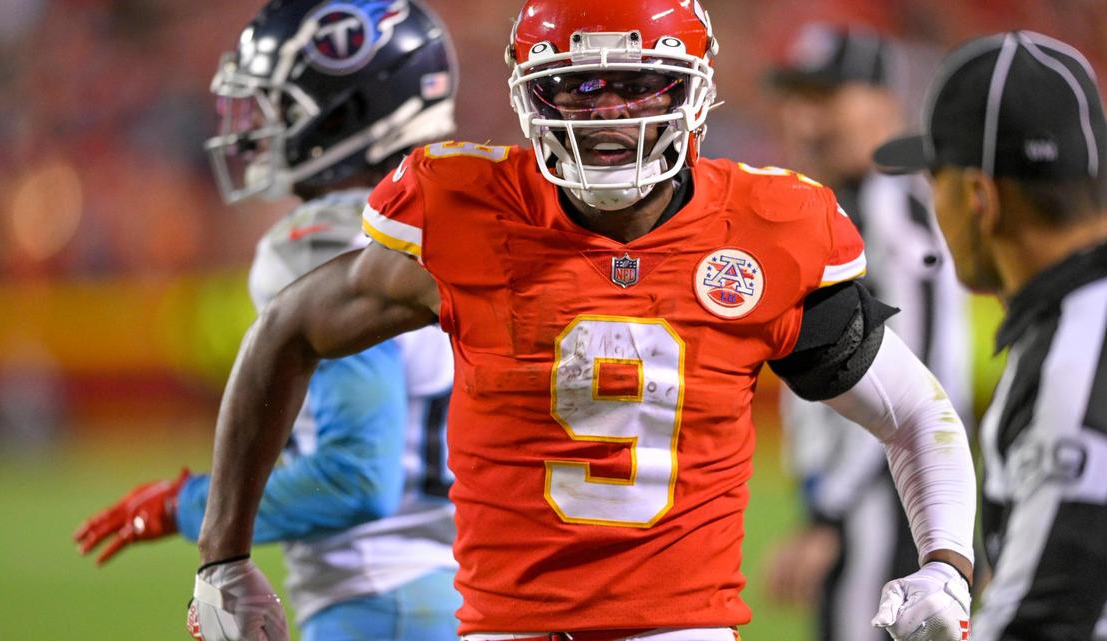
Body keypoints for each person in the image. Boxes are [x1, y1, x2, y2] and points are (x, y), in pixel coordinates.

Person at [187, 2, 980, 641]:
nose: (609, 118)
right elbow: (283, 332)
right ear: (530, 93)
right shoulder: (465, 213)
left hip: (683, 628)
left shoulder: (764, 230)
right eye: (580, 88)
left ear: (694, 90)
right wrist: (221, 556)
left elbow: (915, 410)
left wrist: (946, 563)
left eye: (638, 84)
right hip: (505, 626)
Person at [73, 1, 462, 640]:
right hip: (472, 593)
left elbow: (357, 477)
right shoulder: (467, 216)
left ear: (351, 112)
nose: (261, 128)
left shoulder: (327, 240)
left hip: (378, 600)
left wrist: (187, 506)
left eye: (283, 108)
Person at [874, 29, 1107, 641]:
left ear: (979, 196)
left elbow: (1050, 617)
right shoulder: (1067, 326)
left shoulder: (1076, 356)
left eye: (935, 178)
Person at [761, 23, 974, 641]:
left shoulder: (889, 204)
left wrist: (831, 515)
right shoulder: (850, 201)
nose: (808, 119)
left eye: (828, 97)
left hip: (887, 505)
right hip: (867, 496)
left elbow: (919, 377)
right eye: (799, 99)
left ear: (884, 102)